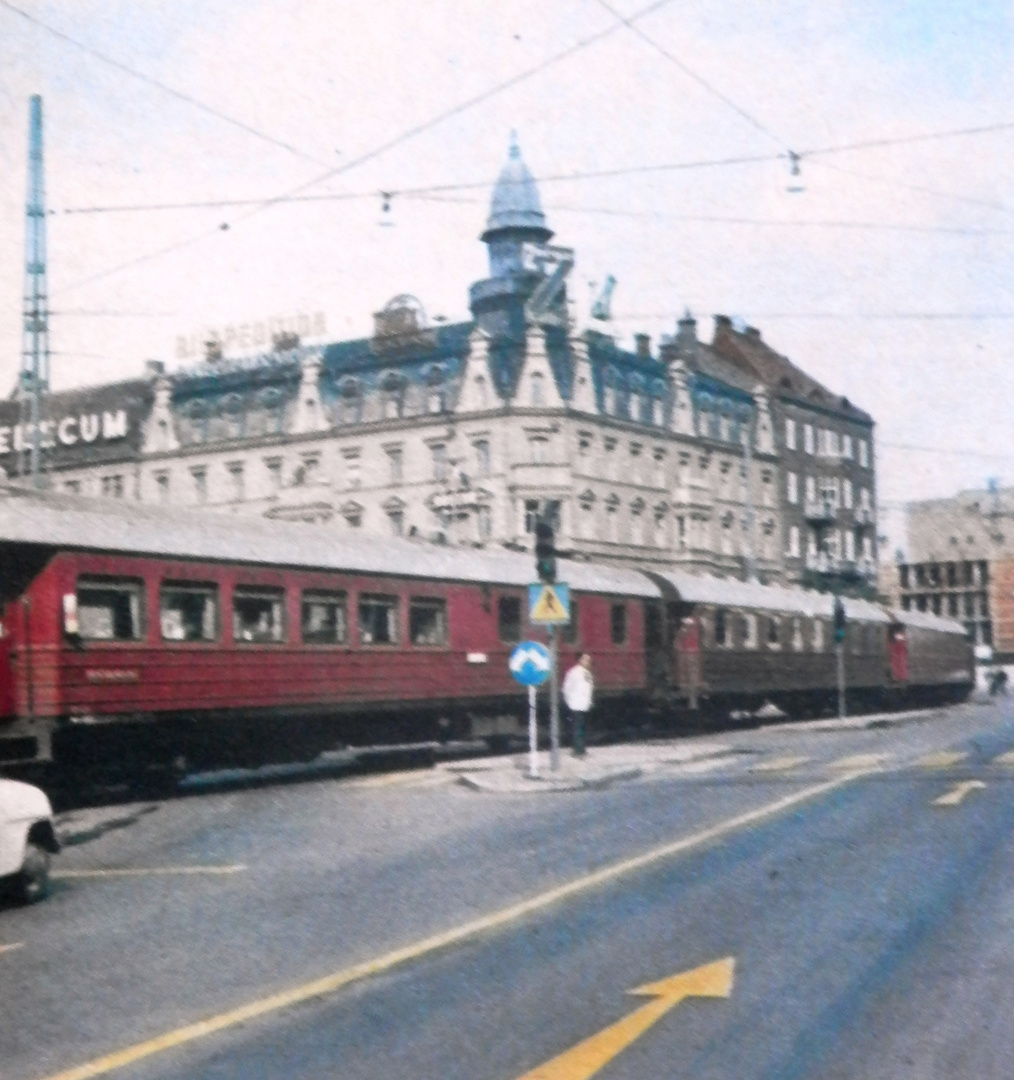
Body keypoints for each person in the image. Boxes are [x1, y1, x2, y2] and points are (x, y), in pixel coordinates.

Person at [562, 653, 594, 757]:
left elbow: (588, 689)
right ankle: (577, 750)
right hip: (576, 704)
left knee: (582, 728)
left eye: (589, 660)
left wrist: (589, 702)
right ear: (580, 660)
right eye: (586, 660)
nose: (588, 662)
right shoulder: (573, 672)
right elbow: (566, 688)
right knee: (577, 728)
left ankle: (582, 749)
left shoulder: (587, 673)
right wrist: (569, 701)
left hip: (584, 705)